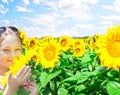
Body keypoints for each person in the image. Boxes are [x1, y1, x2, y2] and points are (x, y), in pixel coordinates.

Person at [0, 26, 38, 95]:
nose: (13, 55)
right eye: (6, 50)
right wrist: (10, 89)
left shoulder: (24, 76)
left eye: (17, 49)